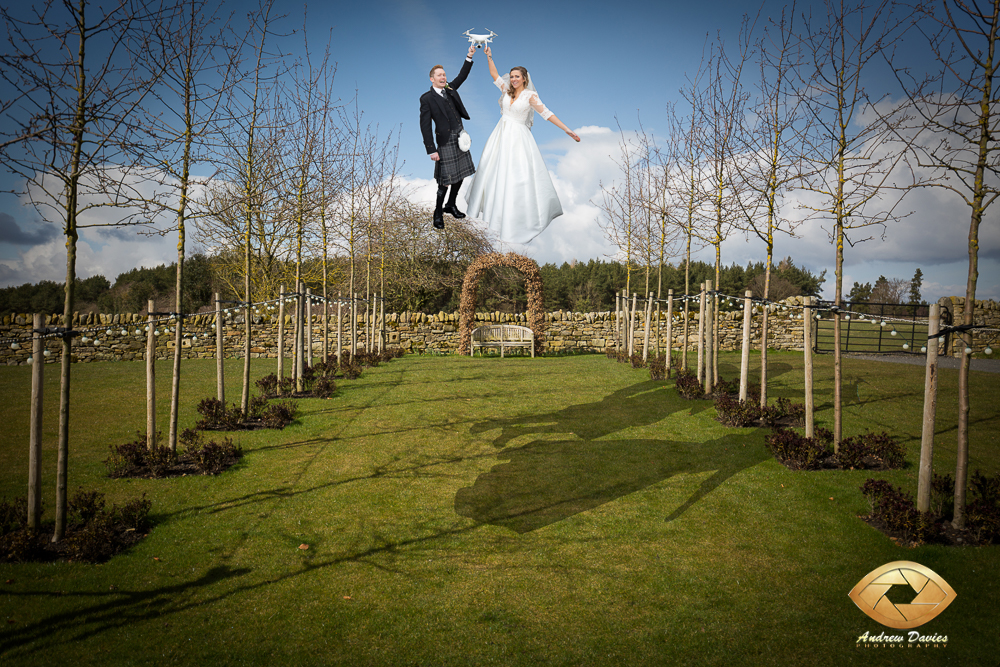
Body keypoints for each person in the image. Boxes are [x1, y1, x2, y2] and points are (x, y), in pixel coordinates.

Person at [464, 45, 580, 244]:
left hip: (518, 137)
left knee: (517, 176)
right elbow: (493, 74)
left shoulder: (530, 96)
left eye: (517, 76)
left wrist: (566, 129)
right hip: (500, 135)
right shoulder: (506, 91)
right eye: (511, 76)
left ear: (524, 79)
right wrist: (489, 56)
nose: (513, 79)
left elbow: (547, 113)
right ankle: (496, 211)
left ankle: (517, 218)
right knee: (493, 171)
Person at [419, 45, 478, 229]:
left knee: (460, 175)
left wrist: (469, 56)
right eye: (439, 75)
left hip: (460, 138)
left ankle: (451, 205)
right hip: (444, 142)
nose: (443, 77)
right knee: (445, 181)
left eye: (444, 74)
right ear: (432, 79)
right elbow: (425, 125)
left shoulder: (450, 88)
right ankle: (438, 212)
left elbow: (462, 75)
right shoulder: (427, 98)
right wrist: (431, 149)